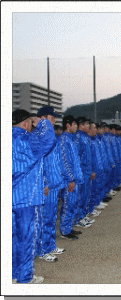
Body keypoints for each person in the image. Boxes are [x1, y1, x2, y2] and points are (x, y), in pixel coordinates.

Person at [12, 109, 56, 284]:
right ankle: (25, 277)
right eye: (31, 123)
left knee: (12, 238)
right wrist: (42, 122)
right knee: (26, 239)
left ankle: (13, 273)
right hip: (27, 198)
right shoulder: (27, 139)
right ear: (26, 123)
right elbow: (48, 140)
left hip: (11, 197)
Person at [33, 107, 67, 263]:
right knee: (44, 219)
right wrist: (44, 182)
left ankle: (50, 245)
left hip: (55, 183)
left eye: (54, 118)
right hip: (47, 185)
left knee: (52, 217)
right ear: (42, 118)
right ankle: (42, 250)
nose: (54, 121)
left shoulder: (50, 136)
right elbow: (38, 163)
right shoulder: (39, 137)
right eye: (51, 118)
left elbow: (56, 162)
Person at [57, 115, 84, 240]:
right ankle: (65, 231)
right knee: (68, 204)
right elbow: (64, 162)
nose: (76, 127)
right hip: (70, 181)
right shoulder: (63, 140)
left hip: (75, 179)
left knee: (73, 204)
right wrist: (70, 179)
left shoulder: (70, 139)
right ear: (68, 125)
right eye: (74, 124)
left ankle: (68, 227)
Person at [73, 117, 96, 229]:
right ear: (81, 125)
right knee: (80, 197)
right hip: (81, 172)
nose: (88, 126)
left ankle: (83, 215)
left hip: (86, 172)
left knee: (85, 195)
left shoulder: (85, 137)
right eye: (87, 124)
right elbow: (76, 158)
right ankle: (78, 219)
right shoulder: (78, 138)